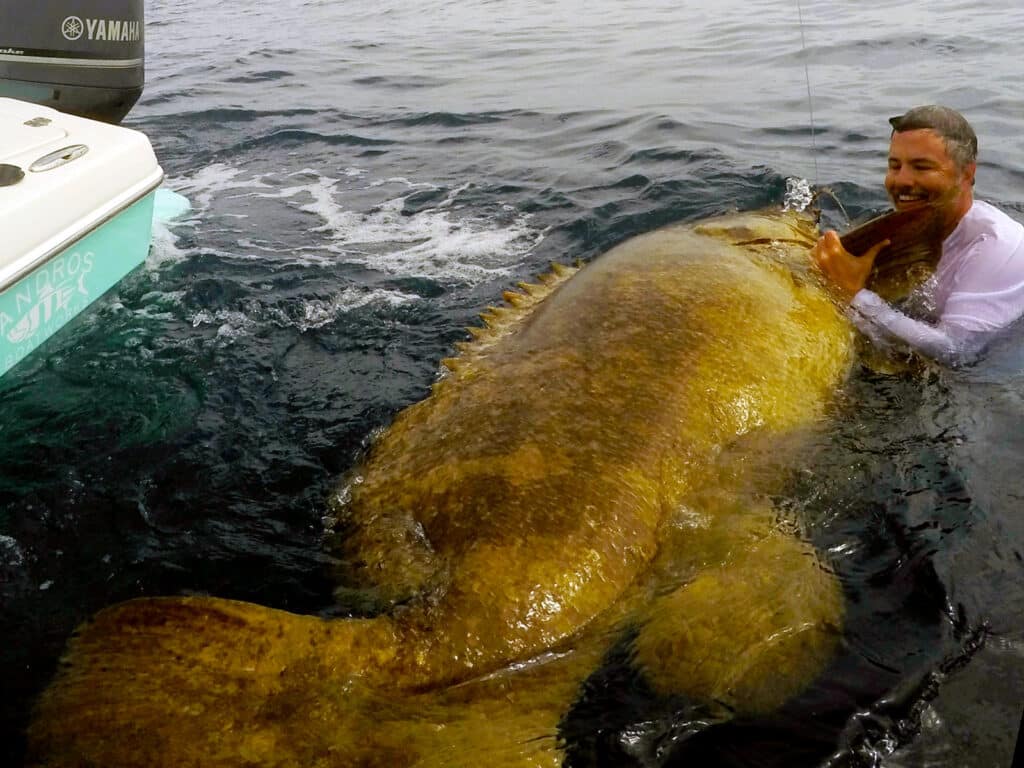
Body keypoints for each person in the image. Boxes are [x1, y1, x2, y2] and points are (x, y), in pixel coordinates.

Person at [812, 105, 1024, 366]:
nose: (902, 181)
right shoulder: (909, 228)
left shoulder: (1002, 246)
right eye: (894, 166)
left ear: (967, 174)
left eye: (921, 167)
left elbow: (956, 351)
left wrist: (854, 295)